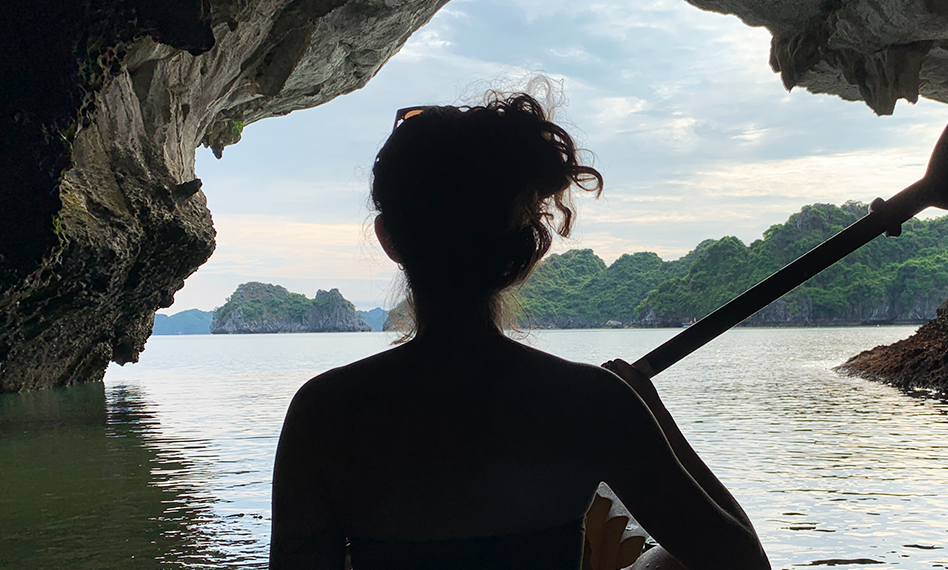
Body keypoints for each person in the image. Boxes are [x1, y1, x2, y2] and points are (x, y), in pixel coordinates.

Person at [270, 92, 769, 570]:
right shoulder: (592, 403)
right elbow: (742, 562)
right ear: (527, 253)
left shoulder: (324, 412)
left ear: (389, 239)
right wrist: (650, 412)